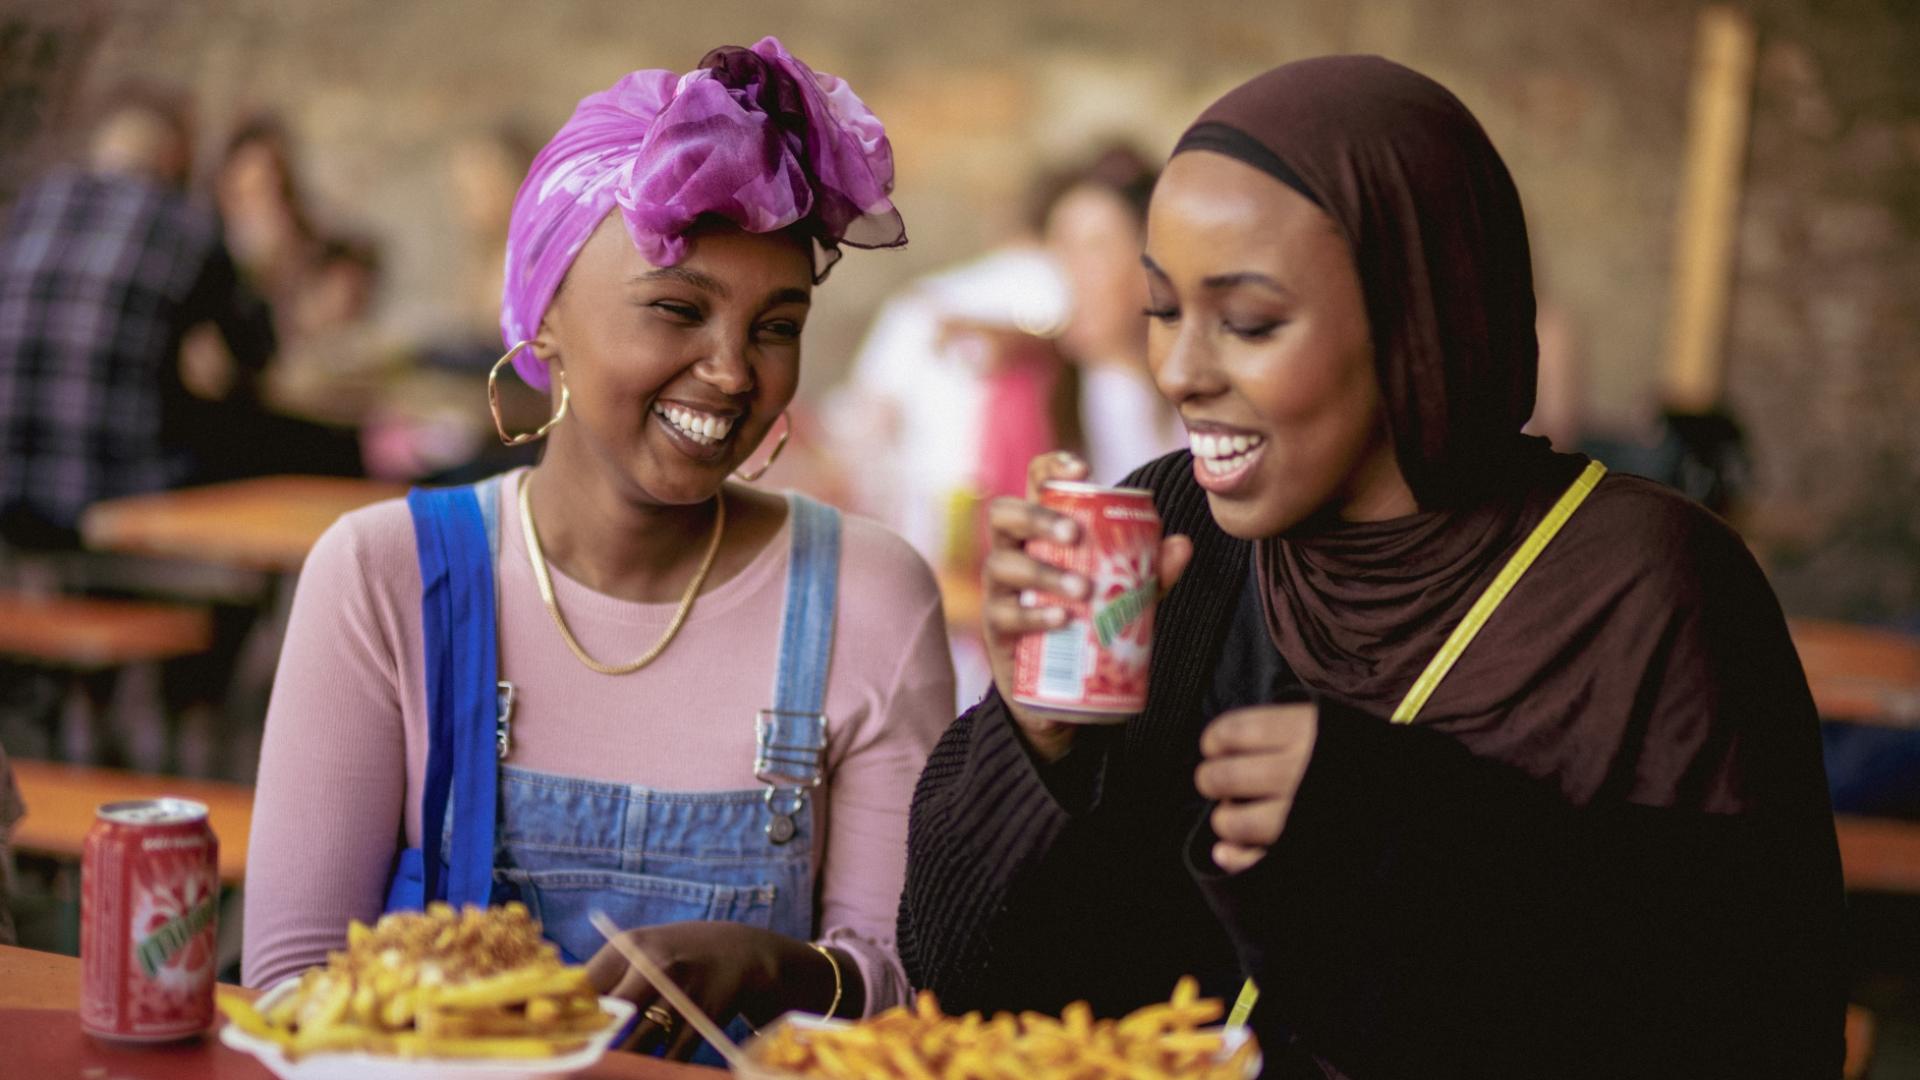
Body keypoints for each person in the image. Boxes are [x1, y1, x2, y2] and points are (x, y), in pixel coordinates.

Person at [899, 56, 1845, 1079]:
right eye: (1164, 310)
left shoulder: (1646, 586)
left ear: (1418, 316)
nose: (1180, 369)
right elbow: (965, 989)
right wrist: (1034, 739)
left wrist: (1400, 835)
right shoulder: (1174, 529)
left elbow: (1759, 1028)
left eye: (1250, 322)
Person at [243, 37, 950, 1061]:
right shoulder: (385, 579)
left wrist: (785, 968)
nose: (732, 371)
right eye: (677, 308)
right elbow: (294, 992)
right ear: (543, 321)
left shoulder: (869, 600)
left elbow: (907, 1015)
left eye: (776, 324)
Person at [0, 83, 275, 550]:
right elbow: (256, 353)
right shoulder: (186, 222)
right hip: (114, 498)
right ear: (174, 155)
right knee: (265, 444)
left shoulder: (31, 206)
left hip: (8, 496)